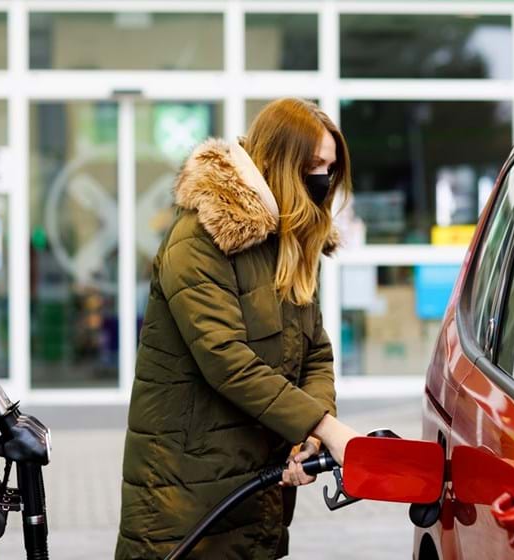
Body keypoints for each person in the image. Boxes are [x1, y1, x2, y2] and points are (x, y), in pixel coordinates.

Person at [116, 98, 361, 560]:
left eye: (330, 168)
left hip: (253, 490)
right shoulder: (201, 238)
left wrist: (306, 437)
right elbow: (226, 360)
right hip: (185, 501)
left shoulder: (291, 245)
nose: (323, 179)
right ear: (278, 162)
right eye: (313, 166)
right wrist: (326, 427)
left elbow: (316, 354)